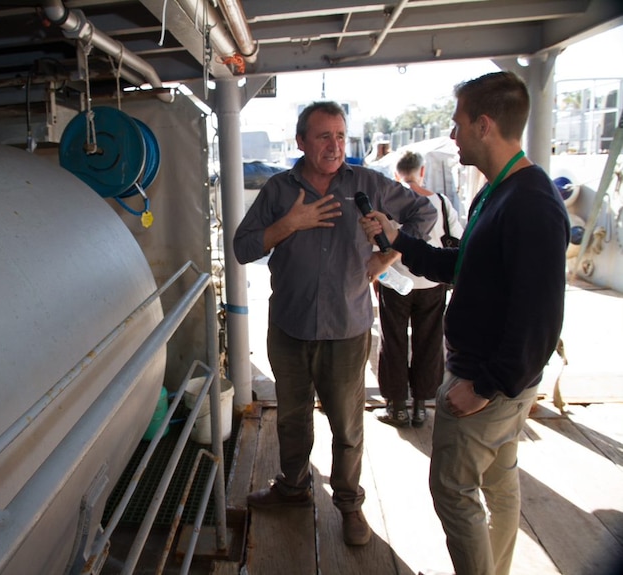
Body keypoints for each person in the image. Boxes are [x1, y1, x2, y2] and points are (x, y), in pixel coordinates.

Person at [359, 72, 569, 574]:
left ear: (484, 124)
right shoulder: (495, 194)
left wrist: (485, 386)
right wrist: (399, 240)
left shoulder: (531, 204)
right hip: (489, 376)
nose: (452, 136)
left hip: (488, 382)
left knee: (453, 491)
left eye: (457, 125)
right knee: (499, 484)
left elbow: (540, 318)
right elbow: (461, 269)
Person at [233, 101, 436, 546]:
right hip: (289, 328)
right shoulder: (278, 191)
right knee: (291, 419)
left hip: (347, 330)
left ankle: (349, 504)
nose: (335, 144)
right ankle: (292, 488)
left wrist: (387, 256)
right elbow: (243, 247)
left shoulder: (367, 183)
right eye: (324, 136)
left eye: (341, 135)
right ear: (301, 142)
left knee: (347, 427)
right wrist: (288, 224)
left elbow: (425, 214)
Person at [376, 150, 464, 428]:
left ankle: (397, 407)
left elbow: (376, 242)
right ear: (421, 171)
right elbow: (457, 238)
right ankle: (421, 407)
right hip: (432, 283)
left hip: (394, 283)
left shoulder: (388, 203)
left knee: (393, 342)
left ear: (395, 175)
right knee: (429, 341)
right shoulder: (440, 202)